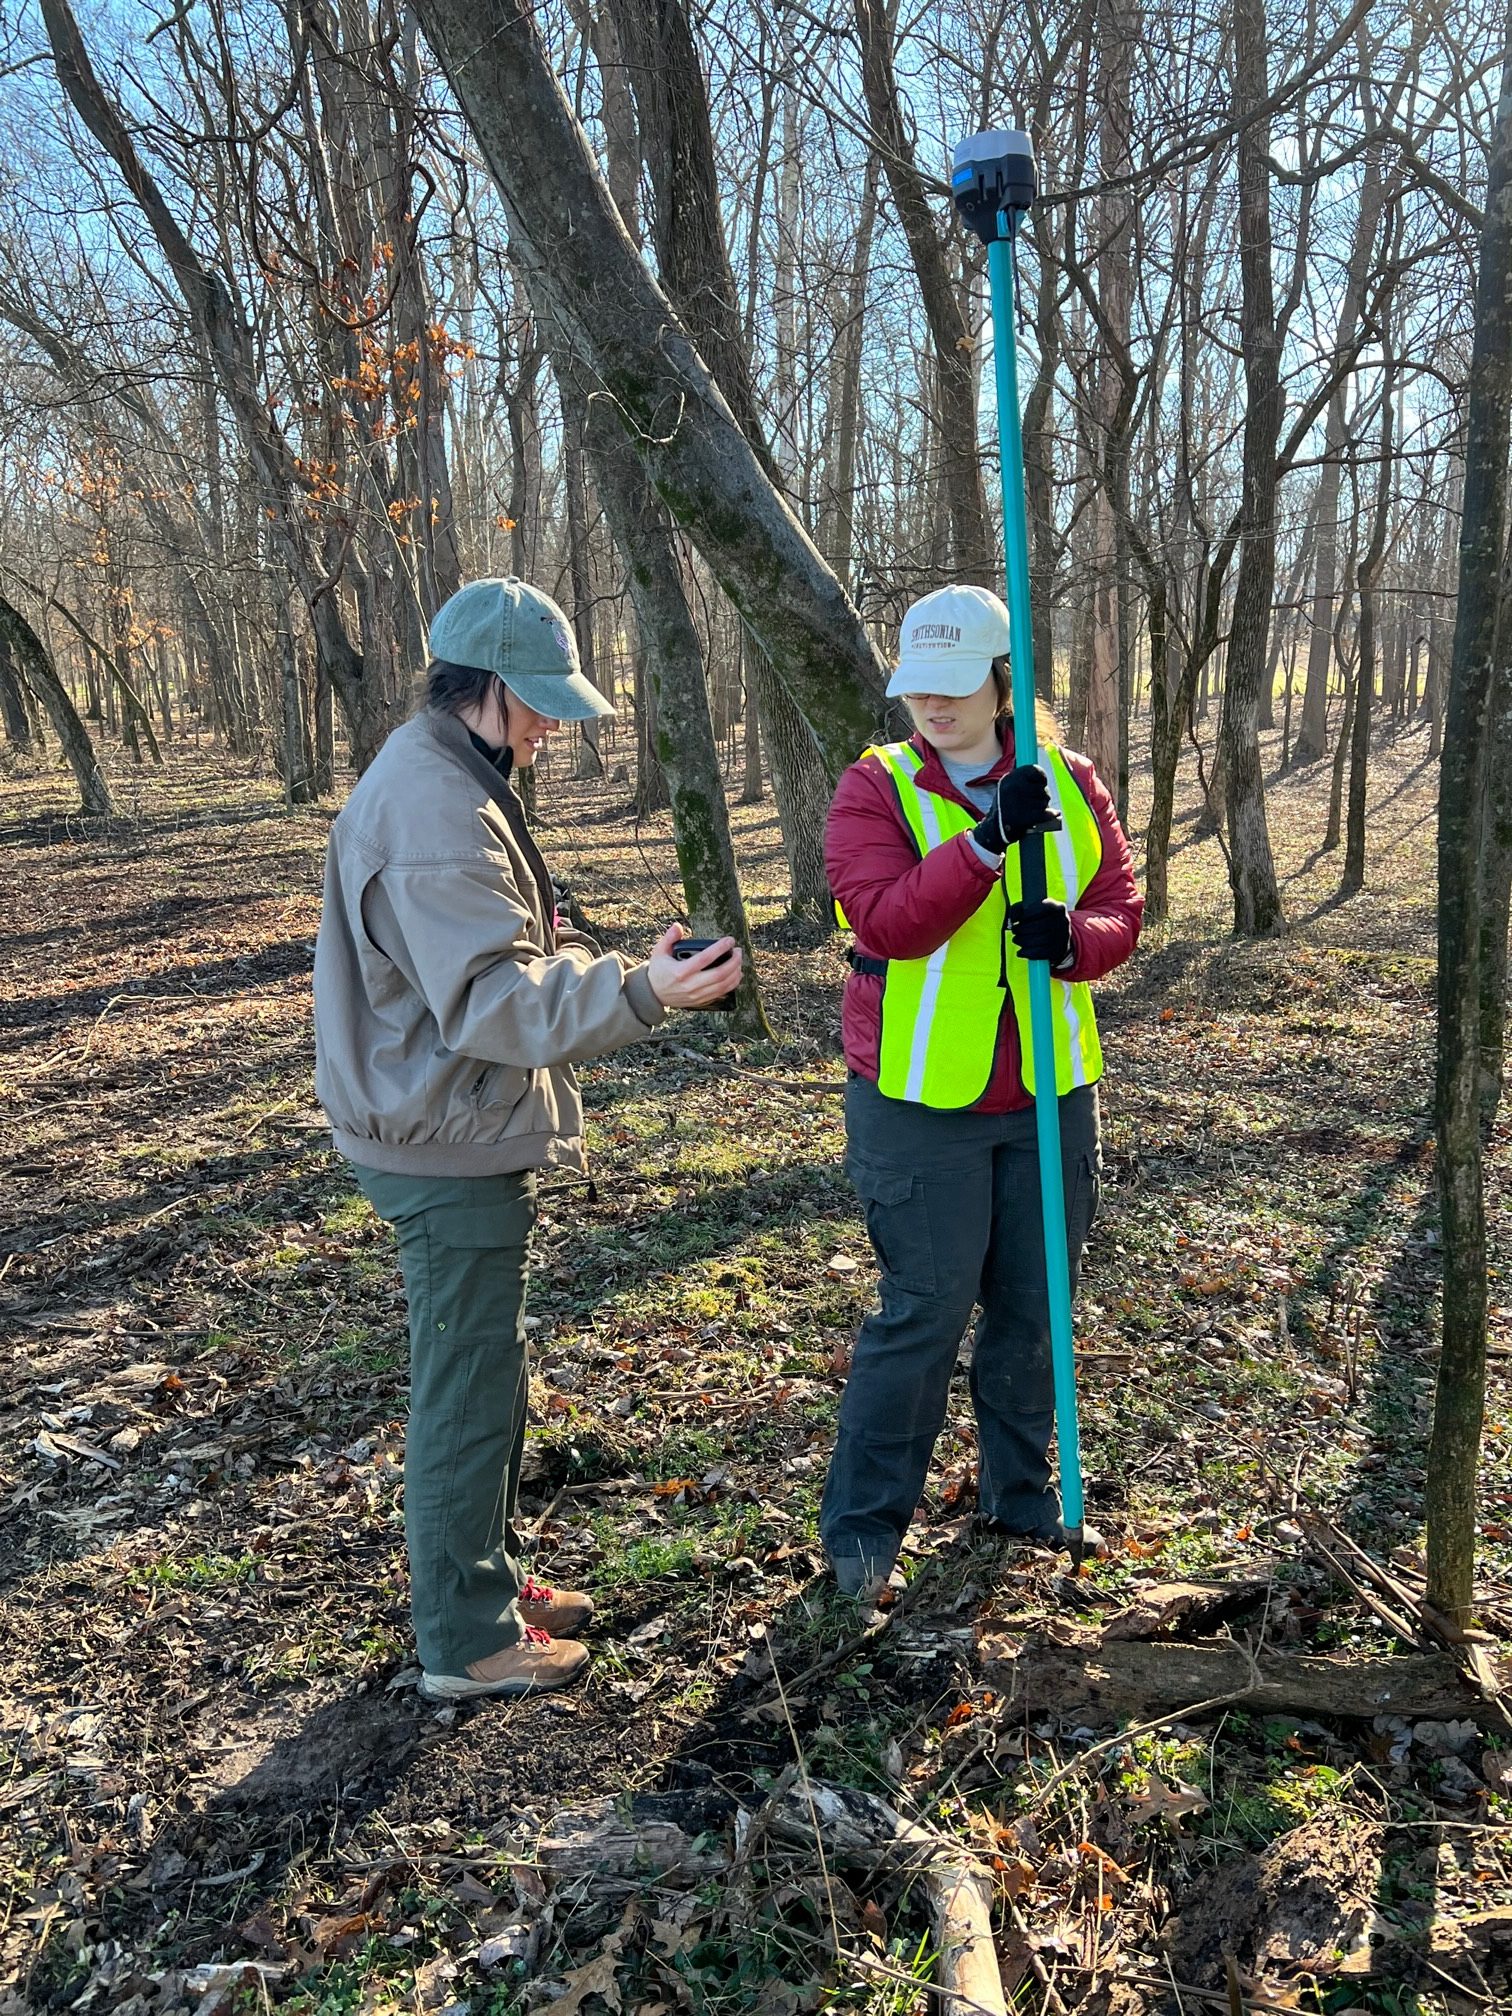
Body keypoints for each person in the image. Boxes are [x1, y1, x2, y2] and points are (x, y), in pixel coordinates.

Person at [313, 577, 742, 1700]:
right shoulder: (436, 811)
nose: (552, 727)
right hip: (439, 1133)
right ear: (487, 690)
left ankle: (489, 1578)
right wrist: (645, 992)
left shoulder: (448, 775)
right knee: (464, 1381)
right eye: (541, 704)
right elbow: (491, 1003)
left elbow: (489, 958)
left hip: (447, 1118)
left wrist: (608, 963)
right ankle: (465, 1637)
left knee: (488, 1371)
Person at [820, 583, 1142, 1598]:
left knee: (1035, 1306)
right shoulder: (873, 789)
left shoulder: (1071, 779)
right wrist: (986, 844)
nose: (936, 706)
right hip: (921, 1106)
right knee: (923, 1311)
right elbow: (884, 922)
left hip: (1050, 1095)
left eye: (958, 687)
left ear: (1007, 683)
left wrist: (1077, 942)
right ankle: (866, 1529)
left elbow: (1120, 905)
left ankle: (1022, 1494)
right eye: (920, 687)